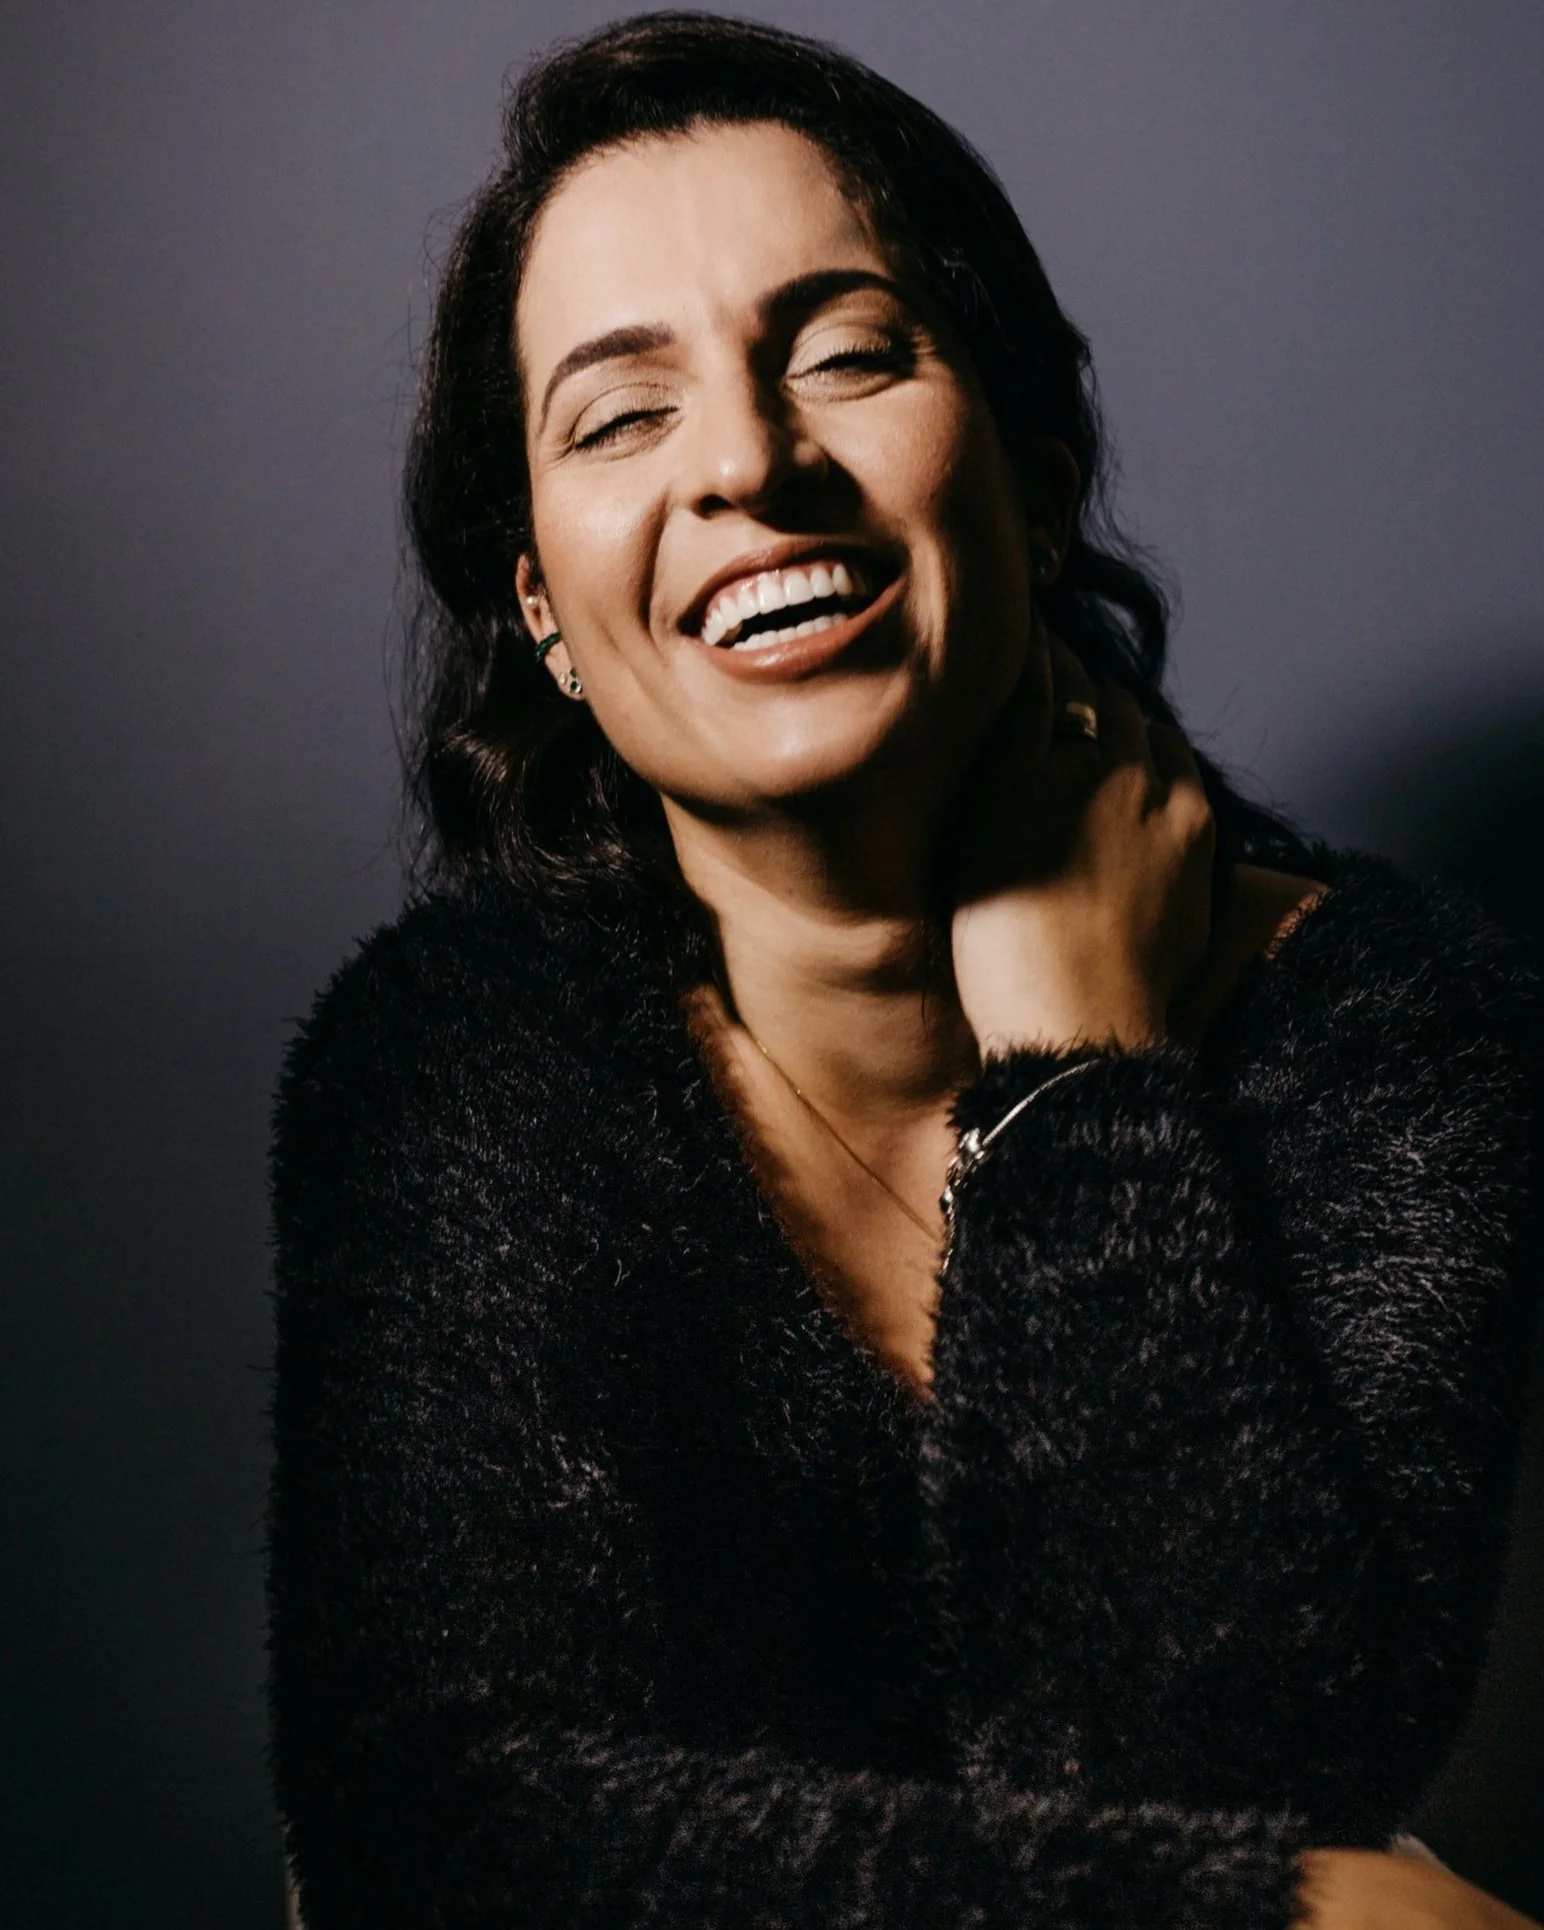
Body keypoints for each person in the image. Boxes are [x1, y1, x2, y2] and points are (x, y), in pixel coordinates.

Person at [266, 15, 1544, 1929]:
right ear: (545, 612)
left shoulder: (1385, 1028)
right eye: (619, 416)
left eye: (847, 355)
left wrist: (1077, 1077)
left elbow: (1222, 1770)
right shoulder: (460, 1060)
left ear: (1033, 483)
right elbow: (438, 1842)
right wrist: (1308, 1912)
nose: (749, 460)